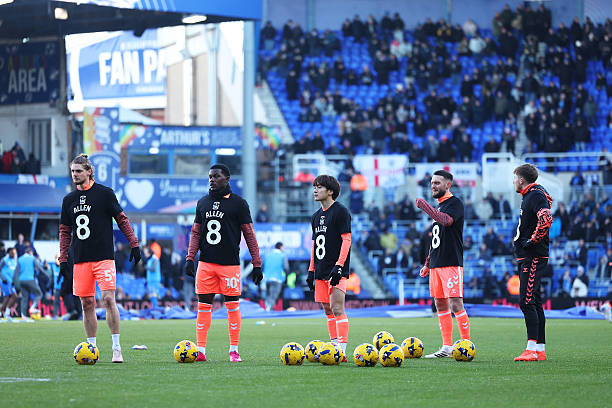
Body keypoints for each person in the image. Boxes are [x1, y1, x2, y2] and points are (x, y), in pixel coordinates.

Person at [59, 154, 142, 363]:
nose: (75, 174)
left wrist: (134, 243)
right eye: (72, 171)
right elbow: (64, 231)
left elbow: (121, 219)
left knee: (107, 299)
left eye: (79, 171)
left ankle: (116, 348)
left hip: (104, 257)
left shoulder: (105, 194)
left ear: (89, 172)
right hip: (80, 259)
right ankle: (92, 348)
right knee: (87, 303)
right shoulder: (68, 200)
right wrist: (63, 258)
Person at [185, 164, 263, 362]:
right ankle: (200, 351)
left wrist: (256, 263)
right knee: (203, 306)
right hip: (206, 264)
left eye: (216, 176)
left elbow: (249, 234)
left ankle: (234, 350)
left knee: (232, 307)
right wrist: (190, 258)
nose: (212, 180)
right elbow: (195, 233)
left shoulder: (239, 203)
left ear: (227, 179)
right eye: (210, 177)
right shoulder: (202, 203)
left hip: (230, 265)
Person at [415, 170, 471, 358]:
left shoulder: (455, 203)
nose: (433, 186)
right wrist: (427, 262)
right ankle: (447, 346)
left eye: (437, 183)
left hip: (451, 262)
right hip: (436, 263)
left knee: (456, 303)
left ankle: (466, 345)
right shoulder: (439, 207)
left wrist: (426, 207)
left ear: (448, 185)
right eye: (432, 183)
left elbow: (447, 221)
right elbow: (435, 240)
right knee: (440, 303)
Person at [306, 175, 352, 360]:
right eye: (314, 187)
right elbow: (314, 245)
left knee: (337, 307)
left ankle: (342, 350)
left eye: (319, 187)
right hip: (320, 269)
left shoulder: (341, 211)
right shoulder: (315, 217)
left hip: (336, 270)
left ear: (330, 191)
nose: (315, 190)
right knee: (327, 309)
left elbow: (347, 240)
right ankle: (334, 346)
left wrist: (339, 266)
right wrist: (311, 270)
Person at [512, 163, 553, 361]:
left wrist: (533, 240)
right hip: (528, 256)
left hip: (533, 256)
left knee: (527, 301)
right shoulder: (531, 194)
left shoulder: (535, 194)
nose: (513, 182)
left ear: (521, 180)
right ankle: (540, 349)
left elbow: (546, 218)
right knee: (534, 301)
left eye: (514, 178)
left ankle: (531, 349)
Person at [16, 248, 43, 319]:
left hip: (21, 280)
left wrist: (15, 283)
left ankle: (23, 316)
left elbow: (16, 271)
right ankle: (32, 307)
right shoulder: (32, 258)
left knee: (24, 298)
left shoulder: (19, 259)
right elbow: (39, 267)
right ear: (30, 252)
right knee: (39, 294)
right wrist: (46, 274)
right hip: (30, 279)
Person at [263, 242, 288, 312]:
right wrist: (286, 277)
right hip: (277, 278)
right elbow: (286, 268)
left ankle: (267, 307)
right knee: (273, 296)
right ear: (281, 247)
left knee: (268, 294)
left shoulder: (267, 255)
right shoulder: (282, 255)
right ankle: (269, 309)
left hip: (267, 279)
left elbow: (262, 265)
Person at [0, 247, 19, 319]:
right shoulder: (4, 260)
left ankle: (1, 312)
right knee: (14, 296)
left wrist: (13, 281)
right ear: (9, 252)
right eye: (12, 253)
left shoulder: (15, 261)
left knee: (7, 297)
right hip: (5, 281)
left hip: (11, 281)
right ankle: (7, 313)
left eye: (15, 253)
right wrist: (3, 278)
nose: (14, 254)